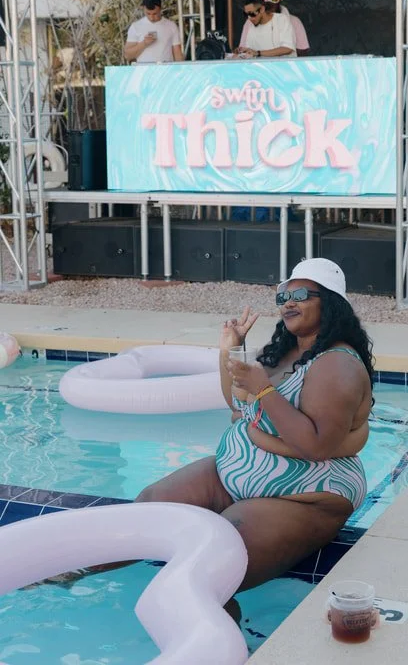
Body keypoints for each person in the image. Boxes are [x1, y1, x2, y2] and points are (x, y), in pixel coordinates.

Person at [40, 258, 374, 605]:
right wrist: (229, 349)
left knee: (213, 560)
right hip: (237, 477)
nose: (288, 303)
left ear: (332, 302)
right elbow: (237, 403)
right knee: (151, 505)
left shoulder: (336, 365)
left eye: (301, 294)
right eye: (282, 296)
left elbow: (316, 446)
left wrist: (263, 393)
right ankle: (71, 573)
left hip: (306, 495)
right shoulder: (289, 351)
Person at [239, 0, 310, 57]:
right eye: (267, 5)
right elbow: (245, 49)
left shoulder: (290, 20)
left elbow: (297, 50)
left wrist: (259, 53)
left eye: (272, 3)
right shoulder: (250, 22)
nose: (269, 7)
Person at [124, 0, 183, 64]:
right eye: (148, 13)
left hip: (166, 71)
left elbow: (177, 54)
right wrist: (144, 43)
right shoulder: (135, 26)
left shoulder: (171, 26)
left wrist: (182, 71)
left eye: (155, 13)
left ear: (160, 9)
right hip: (143, 72)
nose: (151, 18)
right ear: (143, 9)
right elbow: (128, 55)